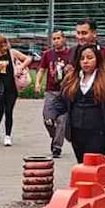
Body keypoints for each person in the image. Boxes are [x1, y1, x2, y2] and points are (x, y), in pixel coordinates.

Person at [0, 34, 31, 146]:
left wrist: (20, 67)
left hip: (11, 87)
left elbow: (28, 58)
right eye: (2, 45)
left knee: (9, 111)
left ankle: (8, 136)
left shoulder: (12, 53)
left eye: (6, 44)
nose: (5, 47)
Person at [34, 30, 74, 158]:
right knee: (48, 118)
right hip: (51, 91)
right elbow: (41, 70)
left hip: (65, 91)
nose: (56, 41)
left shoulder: (71, 54)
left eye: (58, 38)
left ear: (64, 39)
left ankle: (57, 147)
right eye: (54, 39)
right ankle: (56, 135)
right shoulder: (48, 54)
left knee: (62, 119)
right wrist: (38, 83)